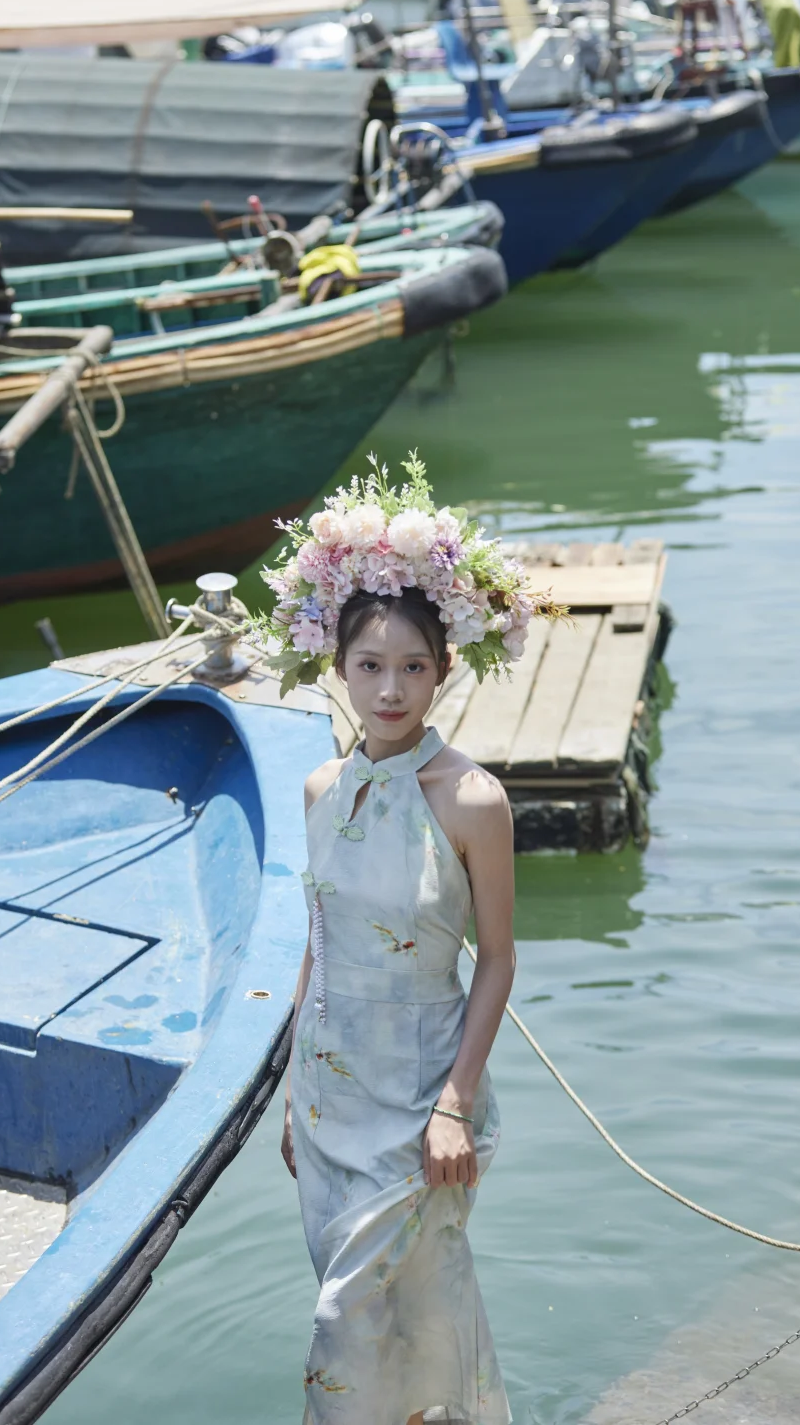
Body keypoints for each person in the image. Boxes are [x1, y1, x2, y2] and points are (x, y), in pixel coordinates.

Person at [256, 455, 562, 1425]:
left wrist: (455, 1106)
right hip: (332, 1093)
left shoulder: (475, 800)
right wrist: (293, 1094)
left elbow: (500, 958)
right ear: (336, 667)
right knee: (380, 1320)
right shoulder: (319, 790)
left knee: (375, 1320)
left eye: (413, 666)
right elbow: (318, 940)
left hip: (423, 1098)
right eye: (369, 666)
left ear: (444, 667)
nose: (390, 690)